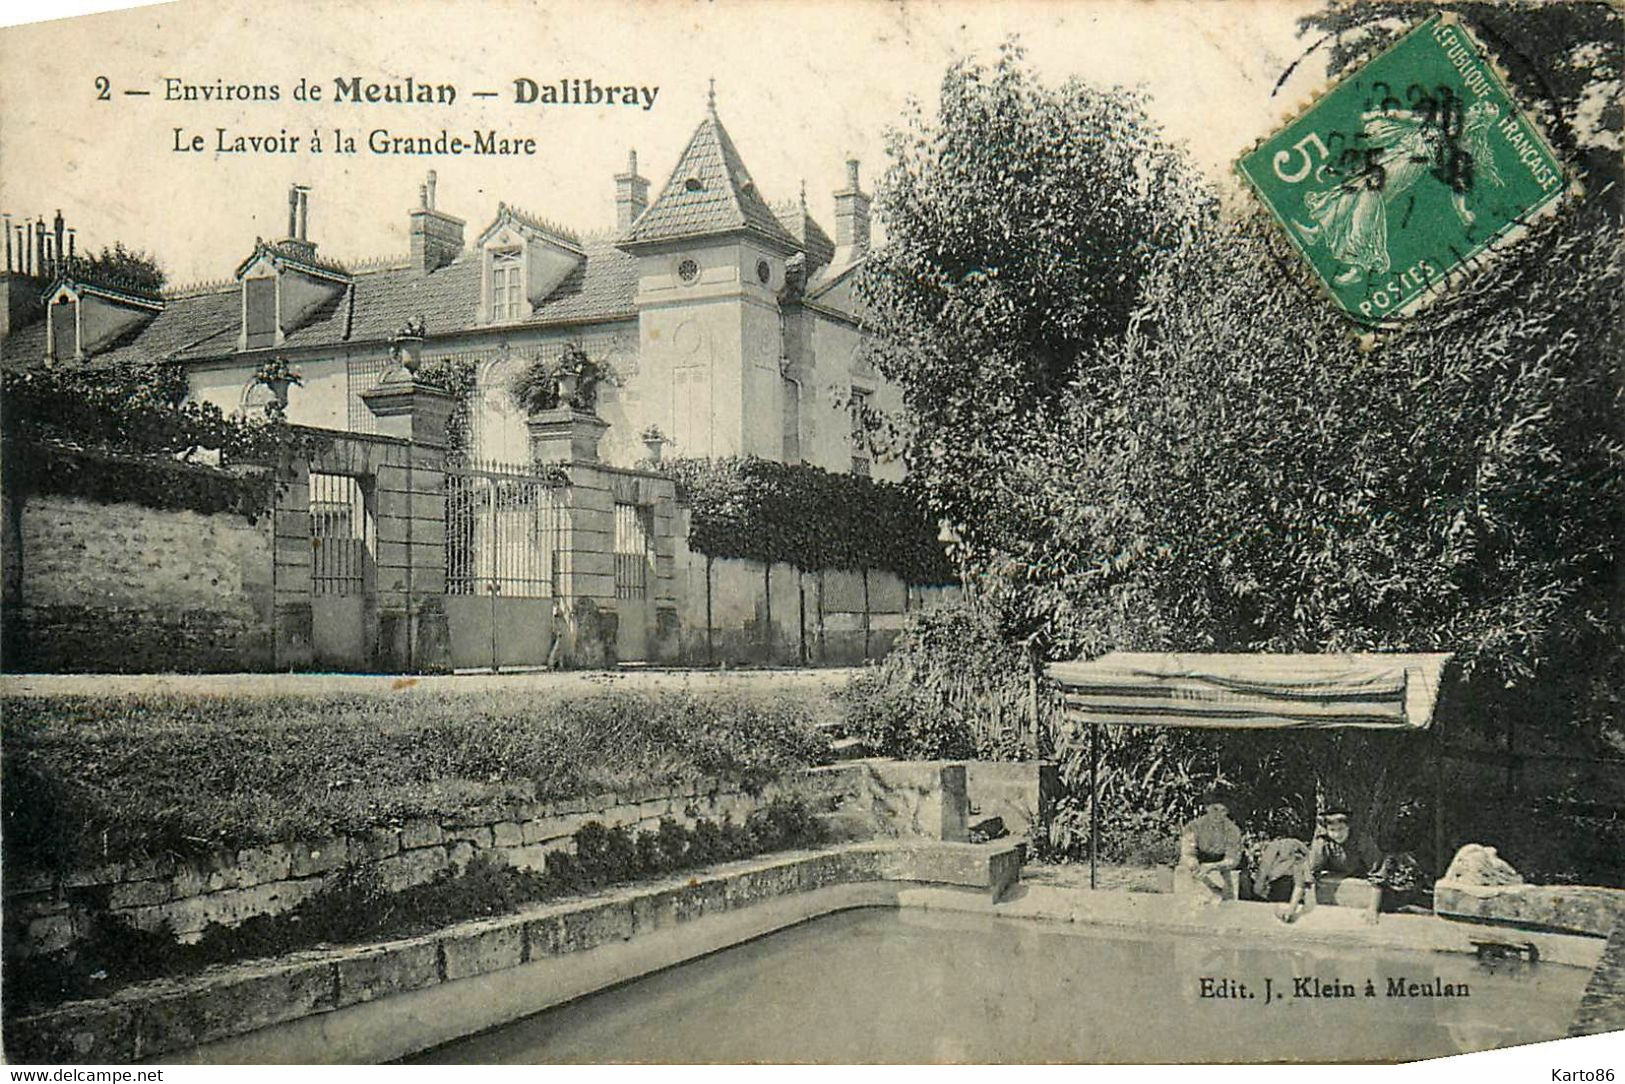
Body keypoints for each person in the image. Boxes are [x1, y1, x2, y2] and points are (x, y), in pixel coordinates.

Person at [1277, 809, 1383, 924]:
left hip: (1360, 875)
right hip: (1334, 874)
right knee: (1300, 867)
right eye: (1332, 830)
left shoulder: (1362, 841)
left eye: (1341, 829)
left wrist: (1373, 909)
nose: (1337, 834)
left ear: (1348, 827)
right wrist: (1292, 909)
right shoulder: (1323, 842)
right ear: (1326, 830)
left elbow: (1378, 872)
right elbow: (1307, 872)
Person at [1177, 789, 1243, 902]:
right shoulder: (1194, 826)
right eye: (1215, 809)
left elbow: (1232, 859)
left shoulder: (1233, 830)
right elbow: (1187, 852)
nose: (1218, 815)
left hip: (1222, 865)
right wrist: (1193, 864)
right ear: (1207, 808)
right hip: (1198, 863)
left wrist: (1213, 866)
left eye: (1223, 811)